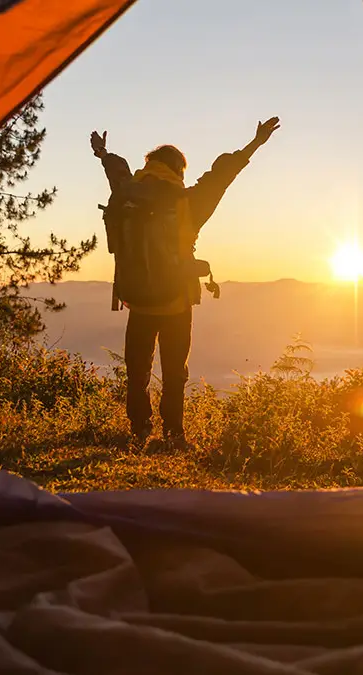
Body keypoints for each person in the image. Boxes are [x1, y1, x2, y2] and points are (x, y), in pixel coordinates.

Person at [90, 117, 281, 447]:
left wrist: (103, 152)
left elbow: (117, 170)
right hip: (176, 301)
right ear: (178, 170)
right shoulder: (190, 202)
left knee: (137, 370)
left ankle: (139, 431)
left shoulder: (128, 194)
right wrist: (255, 143)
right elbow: (223, 174)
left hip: (136, 299)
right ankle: (174, 434)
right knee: (174, 371)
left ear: (149, 166)